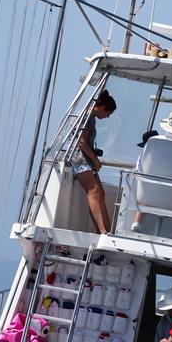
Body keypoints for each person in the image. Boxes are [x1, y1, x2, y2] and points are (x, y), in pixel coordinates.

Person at [130, 112, 172, 232]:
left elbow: (140, 166)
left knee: (145, 189)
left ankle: (136, 223)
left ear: (167, 125)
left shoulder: (152, 142)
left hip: (149, 194)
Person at [70, 89, 117, 234]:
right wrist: (96, 161)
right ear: (102, 108)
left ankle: (107, 229)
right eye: (108, 113)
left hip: (85, 159)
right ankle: (102, 230)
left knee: (100, 193)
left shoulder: (91, 117)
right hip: (79, 159)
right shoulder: (86, 117)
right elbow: (82, 143)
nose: (108, 116)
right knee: (93, 191)